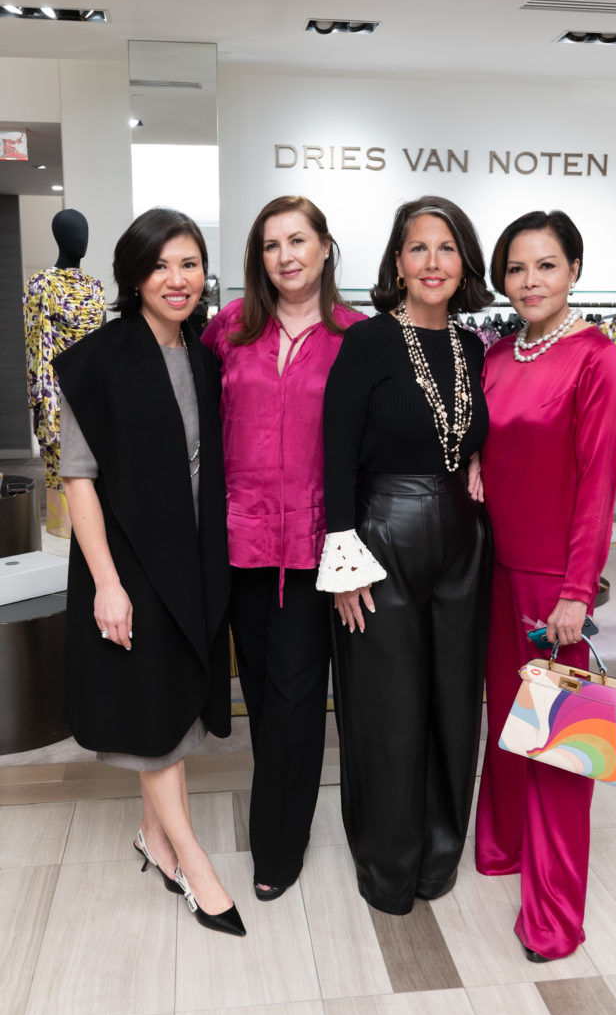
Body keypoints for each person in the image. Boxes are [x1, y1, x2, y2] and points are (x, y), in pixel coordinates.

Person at [53, 208, 245, 937]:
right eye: (161, 265)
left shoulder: (206, 358)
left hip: (193, 560)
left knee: (169, 701)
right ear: (133, 275)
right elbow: (77, 479)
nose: (177, 279)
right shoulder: (95, 360)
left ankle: (153, 839)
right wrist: (106, 582)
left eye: (190, 264)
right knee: (151, 713)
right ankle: (193, 862)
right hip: (128, 562)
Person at [317, 195, 493, 915]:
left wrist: (477, 455)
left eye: (445, 249)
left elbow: (470, 429)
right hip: (380, 532)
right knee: (388, 708)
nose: (431, 263)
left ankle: (437, 856)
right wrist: (342, 565)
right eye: (417, 248)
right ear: (396, 261)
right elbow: (331, 456)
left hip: (462, 539)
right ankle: (387, 868)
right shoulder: (364, 343)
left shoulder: (474, 346)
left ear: (463, 263)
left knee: (453, 700)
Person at [474, 209, 616, 961]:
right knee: (506, 729)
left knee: (561, 753)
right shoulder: (499, 355)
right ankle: (503, 850)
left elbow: (597, 486)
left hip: (552, 585)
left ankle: (553, 919)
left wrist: (576, 591)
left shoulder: (597, 359)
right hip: (495, 572)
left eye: (544, 265)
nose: (528, 281)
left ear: (573, 269)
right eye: (515, 267)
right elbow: (487, 442)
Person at [202, 195, 365, 901]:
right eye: (271, 245)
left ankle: (278, 845)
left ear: (325, 247)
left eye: (298, 240)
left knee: (299, 696)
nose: (285, 256)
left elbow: (382, 444)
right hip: (237, 543)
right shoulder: (225, 330)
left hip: (311, 550)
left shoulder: (358, 337)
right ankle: (281, 810)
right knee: (261, 693)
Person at [23, 208, 106, 537]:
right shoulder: (41, 285)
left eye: (84, 231)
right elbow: (36, 346)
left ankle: (95, 545)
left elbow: (101, 345)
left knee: (97, 475)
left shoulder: (95, 287)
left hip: (95, 395)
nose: (81, 239)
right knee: (64, 478)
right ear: (59, 237)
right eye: (74, 232)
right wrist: (40, 404)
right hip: (58, 397)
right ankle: (66, 554)